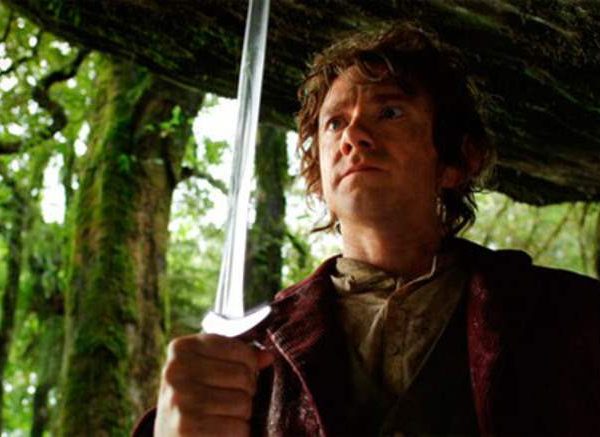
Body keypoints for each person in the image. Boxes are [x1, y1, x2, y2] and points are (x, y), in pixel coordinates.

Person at [135, 23, 600, 436]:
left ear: (458, 160)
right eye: (334, 123)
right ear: (317, 177)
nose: (352, 135)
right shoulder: (248, 361)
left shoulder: (568, 318)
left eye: (390, 112)